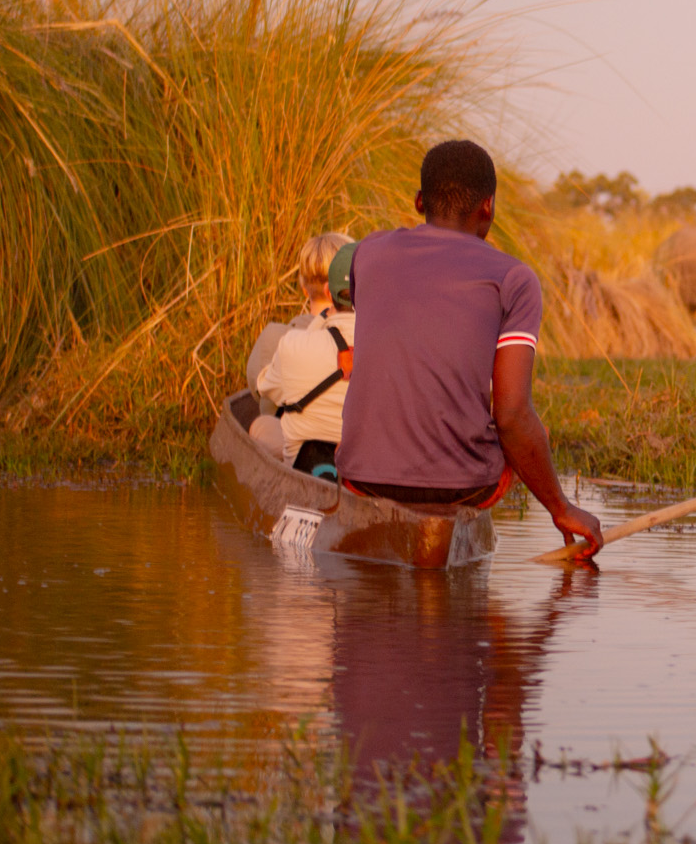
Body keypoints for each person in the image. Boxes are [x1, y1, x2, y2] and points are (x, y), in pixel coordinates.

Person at [338, 140, 603, 560]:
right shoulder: (513, 278)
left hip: (360, 477)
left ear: (420, 200)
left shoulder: (366, 253)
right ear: (488, 207)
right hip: (464, 487)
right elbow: (512, 416)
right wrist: (561, 507)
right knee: (535, 435)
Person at [252, 232, 357, 478]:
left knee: (262, 425)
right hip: (362, 464)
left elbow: (263, 390)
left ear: (329, 294)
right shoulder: (389, 350)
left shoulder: (289, 343)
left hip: (305, 461)